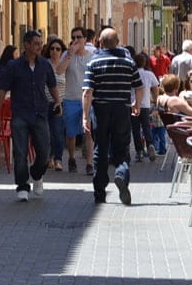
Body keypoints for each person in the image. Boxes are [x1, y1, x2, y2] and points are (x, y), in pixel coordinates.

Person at [0, 30, 60, 202]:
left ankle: (36, 174)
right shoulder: (13, 66)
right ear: (26, 45)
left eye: (40, 43)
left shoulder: (45, 65)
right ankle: (22, 186)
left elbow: (52, 85)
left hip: (40, 113)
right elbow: (3, 90)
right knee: (20, 153)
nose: (39, 46)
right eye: (36, 43)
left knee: (44, 151)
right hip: (20, 113)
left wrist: (58, 101)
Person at [82, 28, 144, 205]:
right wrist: (137, 104)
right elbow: (139, 86)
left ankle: (99, 193)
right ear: (117, 43)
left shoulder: (94, 62)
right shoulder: (128, 62)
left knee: (100, 150)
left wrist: (85, 116)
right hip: (122, 109)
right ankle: (121, 174)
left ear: (100, 43)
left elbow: (87, 91)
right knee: (121, 148)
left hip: (100, 110)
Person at [56, 27, 95, 175]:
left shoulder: (91, 56)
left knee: (88, 132)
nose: (76, 40)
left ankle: (89, 163)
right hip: (71, 98)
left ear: (85, 39)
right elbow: (59, 70)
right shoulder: (67, 54)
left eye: (79, 37)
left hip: (88, 100)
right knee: (71, 133)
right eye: (73, 37)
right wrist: (69, 55)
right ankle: (71, 158)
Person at [130, 52, 160, 162]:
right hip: (146, 104)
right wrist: (156, 100)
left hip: (133, 104)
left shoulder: (131, 74)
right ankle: (150, 144)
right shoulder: (149, 74)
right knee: (146, 127)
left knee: (136, 129)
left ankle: (139, 151)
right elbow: (155, 88)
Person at [43, 38, 67, 171]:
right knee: (47, 133)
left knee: (57, 132)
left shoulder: (64, 66)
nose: (55, 51)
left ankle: (58, 159)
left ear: (61, 51)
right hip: (45, 103)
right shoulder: (44, 64)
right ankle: (49, 157)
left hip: (59, 104)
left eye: (58, 49)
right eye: (52, 48)